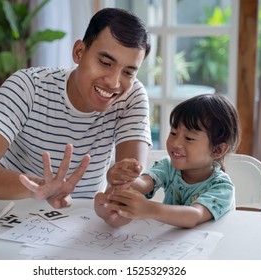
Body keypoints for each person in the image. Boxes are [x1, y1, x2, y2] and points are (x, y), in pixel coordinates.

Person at [0, 8, 152, 209]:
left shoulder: (131, 97)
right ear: (79, 52)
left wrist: (121, 193)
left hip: (82, 222)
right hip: (11, 212)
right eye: (105, 63)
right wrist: (38, 188)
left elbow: (128, 183)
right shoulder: (27, 86)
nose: (114, 82)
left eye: (128, 72)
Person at [97, 94, 241, 228]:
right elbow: (143, 184)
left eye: (189, 138)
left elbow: (194, 215)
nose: (175, 143)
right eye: (173, 133)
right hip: (171, 244)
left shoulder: (222, 187)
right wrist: (122, 178)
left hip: (209, 248)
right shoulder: (168, 166)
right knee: (111, 202)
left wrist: (150, 209)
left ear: (218, 150)